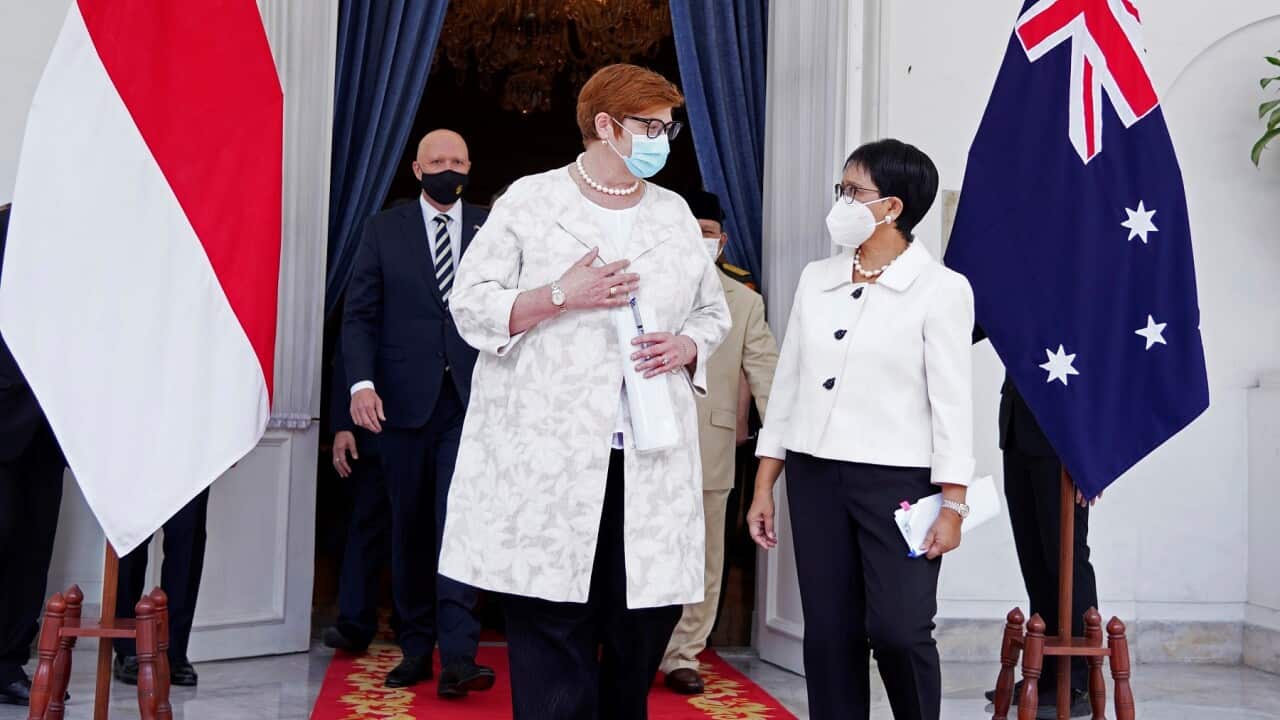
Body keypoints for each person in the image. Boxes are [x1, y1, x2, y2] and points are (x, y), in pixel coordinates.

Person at [437, 64, 731, 720]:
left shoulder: (675, 214)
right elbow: (471, 305)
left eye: (668, 127)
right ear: (605, 125)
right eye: (649, 126)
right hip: (553, 462)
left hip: (648, 461)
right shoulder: (531, 203)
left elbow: (712, 313)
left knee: (640, 627)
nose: (663, 139)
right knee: (551, 629)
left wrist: (688, 346)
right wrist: (562, 295)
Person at [746, 139, 975, 720]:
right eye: (841, 189)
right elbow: (789, 385)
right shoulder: (814, 278)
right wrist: (764, 484)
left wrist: (954, 502)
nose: (842, 201)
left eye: (854, 191)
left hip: (900, 482)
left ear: (893, 207)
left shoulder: (943, 289)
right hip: (816, 476)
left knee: (900, 629)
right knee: (829, 632)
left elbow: (952, 403)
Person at [342, 129, 494, 696]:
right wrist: (360, 384)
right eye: (437, 161)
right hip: (401, 405)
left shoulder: (493, 226)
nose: (447, 168)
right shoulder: (385, 229)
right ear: (416, 168)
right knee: (408, 527)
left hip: (471, 404)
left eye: (457, 159)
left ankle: (459, 656)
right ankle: (415, 647)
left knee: (458, 525)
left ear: (470, 166)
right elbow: (360, 314)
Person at [660, 190, 778, 694]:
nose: (700, 239)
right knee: (642, 549)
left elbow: (767, 373)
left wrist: (787, 439)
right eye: (691, 229)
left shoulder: (744, 302)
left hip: (711, 449)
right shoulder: (644, 287)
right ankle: (629, 645)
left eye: (708, 231)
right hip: (646, 444)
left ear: (723, 240)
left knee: (706, 557)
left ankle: (683, 654)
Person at [981, 369, 1097, 718]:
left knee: (1065, 557)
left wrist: (1092, 458)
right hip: (1018, 429)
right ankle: (1047, 674)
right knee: (1035, 559)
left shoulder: (1084, 310)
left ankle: (1076, 682)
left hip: (1063, 438)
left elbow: (1097, 366)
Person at [0, 203, 68, 707]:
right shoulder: (2, 225)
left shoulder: (86, 240)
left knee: (32, 551)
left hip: (54, 427)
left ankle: (8, 664)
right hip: (1, 413)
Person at [321, 335, 398, 654]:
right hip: (374, 423)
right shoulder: (367, 285)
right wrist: (343, 425)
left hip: (437, 422)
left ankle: (415, 623)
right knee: (365, 523)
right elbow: (350, 348)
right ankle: (354, 624)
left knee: (424, 526)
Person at [113, 490, 209, 687]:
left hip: (192, 461)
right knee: (129, 542)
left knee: (188, 541)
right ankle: (127, 648)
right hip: (135, 462)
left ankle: (174, 651)